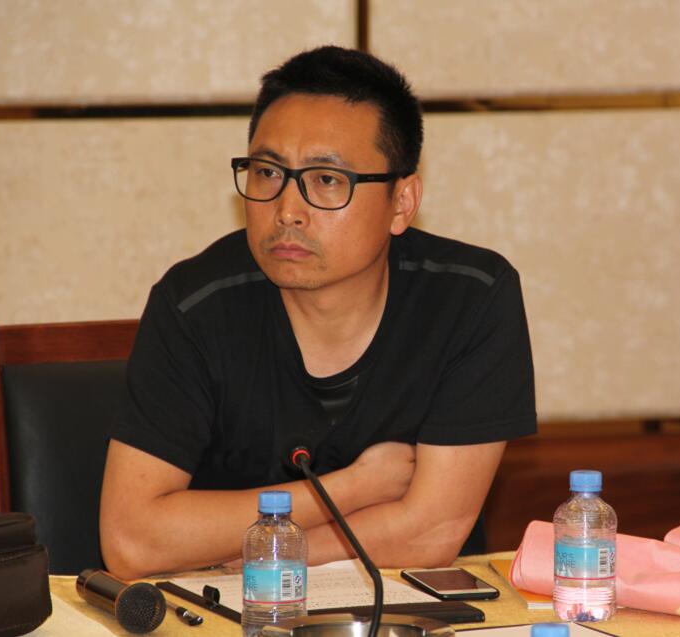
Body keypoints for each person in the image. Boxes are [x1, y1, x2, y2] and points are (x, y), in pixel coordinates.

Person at [100, 46, 536, 579]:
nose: (287, 210)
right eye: (268, 173)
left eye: (327, 180)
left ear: (401, 202)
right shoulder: (194, 305)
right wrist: (352, 487)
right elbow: (132, 542)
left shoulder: (470, 300)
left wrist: (255, 551)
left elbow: (430, 531)